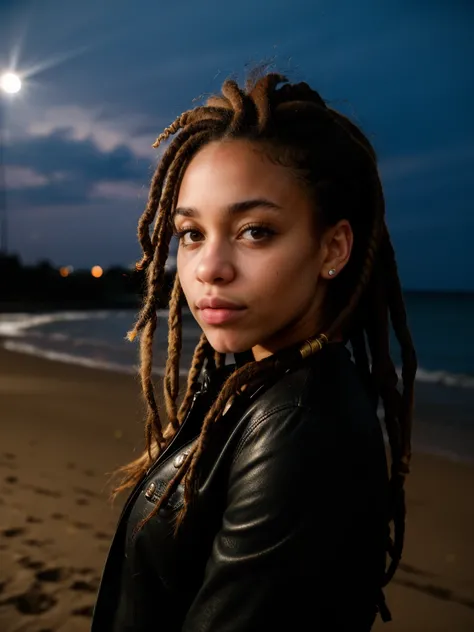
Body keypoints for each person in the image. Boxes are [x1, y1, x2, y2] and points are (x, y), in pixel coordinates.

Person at [92, 71, 417, 631]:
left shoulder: (298, 422)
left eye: (255, 231)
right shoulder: (258, 385)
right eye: (192, 233)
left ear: (332, 247)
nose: (208, 269)